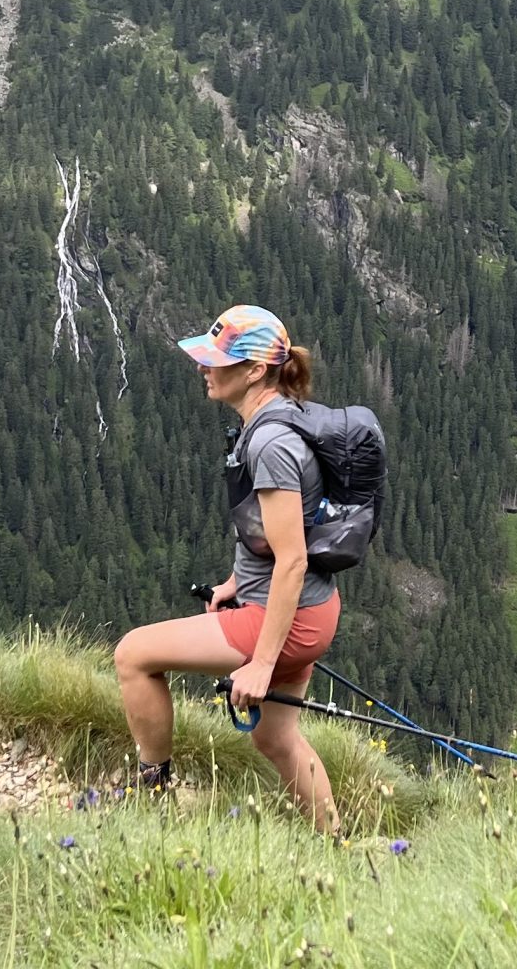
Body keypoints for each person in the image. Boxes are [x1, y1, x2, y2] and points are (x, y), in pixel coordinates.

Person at [114, 304, 340, 831]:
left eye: (217, 359)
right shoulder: (278, 420)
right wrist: (238, 580)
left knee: (133, 655)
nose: (204, 368)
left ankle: (151, 793)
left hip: (284, 617)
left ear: (255, 370)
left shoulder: (271, 443)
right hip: (312, 607)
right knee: (276, 737)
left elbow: (292, 560)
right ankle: (339, 848)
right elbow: (282, 534)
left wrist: (262, 663)